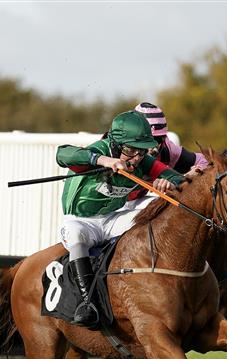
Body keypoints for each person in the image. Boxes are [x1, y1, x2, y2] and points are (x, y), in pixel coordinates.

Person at [56, 110, 184, 327]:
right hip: (81, 220)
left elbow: (176, 177)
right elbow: (63, 154)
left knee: (155, 210)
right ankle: (87, 303)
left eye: (141, 151)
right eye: (129, 150)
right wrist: (104, 161)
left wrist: (169, 183)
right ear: (115, 144)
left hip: (114, 218)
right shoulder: (101, 150)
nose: (136, 158)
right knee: (76, 234)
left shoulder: (142, 161)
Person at [133, 102, 208, 173]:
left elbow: (205, 160)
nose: (153, 147)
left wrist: (196, 170)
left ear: (164, 137)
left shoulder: (169, 150)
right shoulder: (122, 145)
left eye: (157, 139)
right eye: (147, 139)